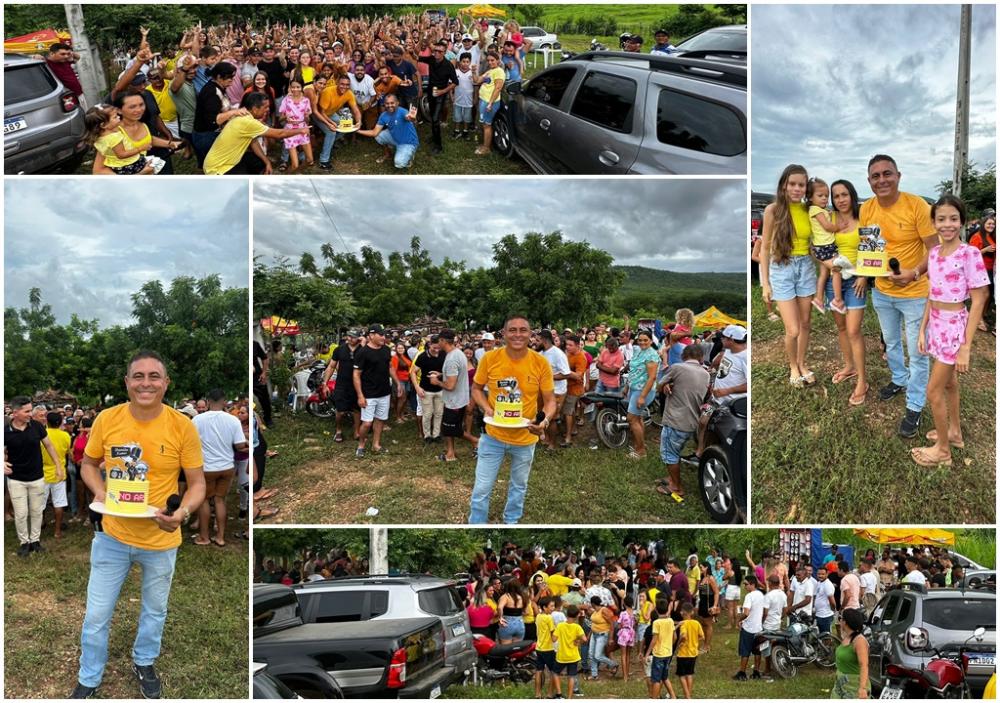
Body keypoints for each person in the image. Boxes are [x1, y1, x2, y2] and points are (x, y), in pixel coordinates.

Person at [73, 351, 206, 699]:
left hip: (160, 541)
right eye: (138, 376)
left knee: (155, 610)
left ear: (166, 383)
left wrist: (182, 514)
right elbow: (88, 464)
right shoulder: (107, 419)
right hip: (112, 536)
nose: (146, 383)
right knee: (97, 614)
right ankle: (89, 676)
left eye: (154, 376)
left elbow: (197, 484)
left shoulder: (182, 426)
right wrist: (100, 491)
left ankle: (144, 661)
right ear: (127, 382)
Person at [860, 154, 938, 438]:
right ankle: (899, 378)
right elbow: (870, 249)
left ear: (898, 176)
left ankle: (915, 406)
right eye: (875, 176)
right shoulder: (867, 209)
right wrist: (866, 271)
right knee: (891, 342)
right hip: (883, 292)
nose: (882, 180)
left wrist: (914, 272)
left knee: (917, 352)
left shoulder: (917, 206)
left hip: (916, 293)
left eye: (887, 174)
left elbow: (935, 249)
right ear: (869, 181)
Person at [912, 195, 989, 466]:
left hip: (954, 327)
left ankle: (942, 451)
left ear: (962, 221)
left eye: (953, 219)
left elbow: (980, 298)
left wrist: (966, 346)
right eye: (941, 219)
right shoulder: (934, 254)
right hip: (935, 323)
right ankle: (954, 433)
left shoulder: (969, 253)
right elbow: (932, 293)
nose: (947, 224)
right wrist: (922, 329)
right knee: (949, 383)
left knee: (933, 391)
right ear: (933, 223)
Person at [468, 315, 556, 524]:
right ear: (504, 334)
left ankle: (512, 521)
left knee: (519, 485)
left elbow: (550, 401)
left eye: (523, 330)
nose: (518, 334)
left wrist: (544, 422)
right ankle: (477, 524)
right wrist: (487, 408)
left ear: (530, 334)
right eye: (512, 330)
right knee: (481, 488)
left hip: (525, 437)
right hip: (493, 436)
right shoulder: (490, 359)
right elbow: (476, 389)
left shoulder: (540, 362)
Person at [759, 164, 816, 388]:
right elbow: (765, 248)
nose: (797, 189)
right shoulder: (773, 210)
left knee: (805, 323)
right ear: (784, 185)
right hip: (782, 267)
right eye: (792, 184)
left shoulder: (809, 209)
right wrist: (765, 283)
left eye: (801, 185)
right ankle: (793, 366)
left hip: (806, 267)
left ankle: (802, 363)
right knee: (792, 329)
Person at [5, 397, 66, 556]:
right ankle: (24, 543)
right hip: (16, 480)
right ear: (15, 413)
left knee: (37, 511)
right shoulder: (5, 431)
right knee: (21, 514)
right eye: (26, 411)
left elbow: (49, 446)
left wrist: (58, 466)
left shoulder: (37, 426)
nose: (30, 414)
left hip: (38, 478)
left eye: (30, 410)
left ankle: (35, 541)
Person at [191, 388, 247, 547]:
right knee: (220, 500)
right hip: (227, 467)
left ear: (208, 402)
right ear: (224, 401)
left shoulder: (197, 420)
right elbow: (239, 445)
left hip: (207, 467)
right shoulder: (233, 420)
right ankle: (220, 537)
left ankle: (204, 537)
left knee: (204, 501)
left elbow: (191, 443)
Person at [203, 92, 309, 174]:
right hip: (217, 168)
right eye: (265, 107)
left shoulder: (244, 116)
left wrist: (267, 162)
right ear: (254, 109)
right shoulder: (248, 122)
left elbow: (253, 142)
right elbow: (279, 134)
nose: (268, 110)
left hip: (224, 162)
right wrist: (301, 130)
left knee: (259, 161)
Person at [656, 343, 710, 498]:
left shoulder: (677, 368)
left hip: (675, 420)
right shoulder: (705, 373)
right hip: (692, 422)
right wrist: (670, 385)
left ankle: (676, 487)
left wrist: (665, 384)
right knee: (675, 450)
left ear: (683, 356)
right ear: (701, 358)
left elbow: (658, 386)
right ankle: (672, 478)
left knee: (669, 455)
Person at [429, 329, 479, 461]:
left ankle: (476, 441)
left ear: (443, 341)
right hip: (459, 398)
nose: (438, 344)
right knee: (448, 428)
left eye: (439, 341)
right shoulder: (458, 353)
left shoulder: (451, 358)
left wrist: (437, 382)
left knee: (453, 429)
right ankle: (450, 454)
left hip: (454, 401)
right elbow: (458, 373)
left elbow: (451, 386)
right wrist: (442, 374)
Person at [352, 325, 401, 458]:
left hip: (384, 392)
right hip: (368, 394)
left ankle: (376, 444)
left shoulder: (386, 349)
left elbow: (390, 367)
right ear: (371, 335)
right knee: (367, 423)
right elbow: (356, 374)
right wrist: (360, 395)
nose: (384, 337)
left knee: (380, 419)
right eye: (381, 335)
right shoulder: (362, 352)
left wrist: (398, 383)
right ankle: (361, 445)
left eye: (384, 335)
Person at [807, 178, 847, 314]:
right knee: (837, 270)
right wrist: (839, 227)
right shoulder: (815, 210)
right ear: (810, 197)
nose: (824, 198)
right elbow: (827, 226)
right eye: (820, 196)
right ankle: (837, 300)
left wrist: (828, 214)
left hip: (822, 246)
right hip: (825, 247)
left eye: (826, 195)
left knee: (824, 274)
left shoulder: (819, 210)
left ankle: (818, 298)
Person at [357, 93, 419, 169]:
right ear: (384, 104)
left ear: (397, 103)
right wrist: (358, 131)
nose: (389, 105)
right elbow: (374, 133)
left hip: (408, 142)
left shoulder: (403, 111)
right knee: (378, 136)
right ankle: (388, 154)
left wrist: (412, 118)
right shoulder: (383, 116)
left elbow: (410, 118)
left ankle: (410, 155)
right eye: (387, 103)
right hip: (395, 137)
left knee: (399, 163)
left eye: (392, 103)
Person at [418, 40, 458, 155]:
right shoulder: (431, 59)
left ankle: (438, 146)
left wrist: (442, 91)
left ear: (444, 53)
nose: (436, 53)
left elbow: (455, 82)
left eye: (440, 51)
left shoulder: (448, 65)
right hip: (431, 92)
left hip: (441, 94)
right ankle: (434, 135)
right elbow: (418, 58)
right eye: (435, 50)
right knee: (432, 116)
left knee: (435, 119)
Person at [323, 330, 363, 443]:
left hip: (358, 385)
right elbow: (331, 366)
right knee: (340, 411)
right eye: (349, 336)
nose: (350, 339)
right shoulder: (339, 350)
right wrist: (325, 383)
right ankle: (338, 430)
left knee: (357, 410)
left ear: (359, 338)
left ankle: (356, 431)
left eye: (353, 337)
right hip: (342, 384)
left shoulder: (363, 350)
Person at [315, 75, 362, 169]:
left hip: (331, 114)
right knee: (331, 132)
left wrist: (359, 121)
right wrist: (331, 123)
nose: (344, 86)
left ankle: (328, 143)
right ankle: (324, 161)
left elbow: (356, 110)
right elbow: (321, 112)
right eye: (342, 84)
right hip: (319, 115)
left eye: (347, 85)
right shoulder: (328, 92)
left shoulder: (349, 93)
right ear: (337, 83)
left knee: (346, 126)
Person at [625, 329, 659, 460]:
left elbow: (652, 378)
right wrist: (627, 386)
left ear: (651, 341)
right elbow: (633, 371)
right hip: (634, 388)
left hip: (643, 390)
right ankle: (639, 445)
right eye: (640, 340)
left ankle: (641, 451)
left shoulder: (651, 355)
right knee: (638, 418)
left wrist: (642, 397)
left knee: (631, 419)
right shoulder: (638, 351)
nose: (642, 342)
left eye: (645, 340)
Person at [41, 410, 72, 539]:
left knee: (40, 503)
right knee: (59, 503)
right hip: (60, 473)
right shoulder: (66, 436)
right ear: (60, 423)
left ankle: (41, 524)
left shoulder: (42, 434)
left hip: (42, 473)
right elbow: (68, 452)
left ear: (47, 422)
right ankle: (57, 531)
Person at [276, 78, 314, 171]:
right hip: (290, 131)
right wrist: (286, 117)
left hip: (302, 130)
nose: (295, 89)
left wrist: (307, 116)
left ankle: (296, 173)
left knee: (310, 160)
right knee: (295, 165)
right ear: (290, 87)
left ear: (302, 87)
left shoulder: (306, 101)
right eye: (293, 87)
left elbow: (307, 120)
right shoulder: (286, 100)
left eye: (298, 87)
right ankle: (289, 175)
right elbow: (280, 119)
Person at [831, 608, 870, 699]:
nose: (839, 621)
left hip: (854, 686)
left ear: (845, 622)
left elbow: (864, 665)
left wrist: (862, 688)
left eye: (840, 618)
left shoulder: (859, 641)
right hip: (841, 684)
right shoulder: (846, 637)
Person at [552, 604, 587, 699]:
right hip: (573, 656)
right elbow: (585, 639)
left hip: (562, 656)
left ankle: (559, 694)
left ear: (567, 614)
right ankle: (569, 697)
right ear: (577, 616)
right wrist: (578, 641)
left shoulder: (560, 626)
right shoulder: (577, 627)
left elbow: (554, 639)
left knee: (555, 673)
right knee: (571, 676)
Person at [734, 574, 765, 681]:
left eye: (746, 584)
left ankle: (742, 673)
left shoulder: (749, 596)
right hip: (758, 628)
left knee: (745, 651)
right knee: (757, 651)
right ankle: (756, 672)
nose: (744, 586)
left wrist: (738, 620)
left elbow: (746, 613)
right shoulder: (761, 594)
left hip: (748, 628)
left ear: (752, 584)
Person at [968, 213, 995, 333]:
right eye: (989, 223)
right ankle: (978, 319)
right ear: (983, 224)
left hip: (990, 269)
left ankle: (981, 316)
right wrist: (985, 249)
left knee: (988, 295)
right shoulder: (977, 236)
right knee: (983, 295)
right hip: (980, 269)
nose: (991, 226)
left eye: (993, 224)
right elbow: (970, 254)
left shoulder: (992, 237)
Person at [474, 51, 504, 156]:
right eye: (488, 60)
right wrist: (473, 72)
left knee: (487, 125)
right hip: (484, 100)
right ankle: (485, 145)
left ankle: (486, 148)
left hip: (489, 102)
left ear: (498, 61)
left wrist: (490, 103)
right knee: (484, 124)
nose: (490, 62)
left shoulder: (499, 71)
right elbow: (477, 81)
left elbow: (498, 88)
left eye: (492, 60)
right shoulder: (490, 71)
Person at [645, 598, 677, 699]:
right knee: (665, 677)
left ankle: (654, 698)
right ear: (667, 608)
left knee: (656, 680)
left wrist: (647, 653)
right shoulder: (670, 621)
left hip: (659, 654)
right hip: (668, 653)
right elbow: (675, 637)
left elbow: (654, 640)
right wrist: (669, 645)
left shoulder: (657, 623)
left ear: (656, 609)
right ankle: (673, 697)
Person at [675, 602, 704, 698]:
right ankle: (689, 695)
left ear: (681, 612)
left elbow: (683, 636)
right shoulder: (696, 623)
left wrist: (679, 643)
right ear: (692, 612)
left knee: (681, 675)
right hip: (693, 653)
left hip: (683, 654)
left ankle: (687, 696)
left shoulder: (683, 624)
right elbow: (702, 636)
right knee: (689, 674)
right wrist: (695, 640)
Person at [587, 595, 619, 680]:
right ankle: (594, 674)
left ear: (593, 604)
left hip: (602, 635)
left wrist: (610, 638)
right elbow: (593, 624)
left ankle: (613, 664)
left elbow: (611, 623)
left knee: (597, 656)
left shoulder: (603, 610)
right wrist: (589, 635)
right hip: (594, 634)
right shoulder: (595, 611)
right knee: (591, 654)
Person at [533, 596, 558, 698]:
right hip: (548, 649)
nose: (553, 608)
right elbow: (553, 636)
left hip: (539, 648)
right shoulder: (549, 618)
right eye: (551, 606)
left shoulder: (538, 616)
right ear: (544, 607)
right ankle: (550, 694)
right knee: (554, 671)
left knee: (539, 671)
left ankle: (537, 694)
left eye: (554, 606)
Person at [696, 563, 720, 652]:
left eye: (701, 567)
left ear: (706, 568)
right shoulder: (702, 577)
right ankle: (704, 644)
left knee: (708, 624)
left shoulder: (711, 578)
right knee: (703, 623)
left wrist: (714, 606)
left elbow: (716, 592)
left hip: (709, 603)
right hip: (702, 603)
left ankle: (707, 646)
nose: (700, 569)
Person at [616, 594, 636, 681]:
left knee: (623, 655)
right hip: (631, 633)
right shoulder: (634, 613)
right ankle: (627, 673)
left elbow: (619, 625)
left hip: (624, 632)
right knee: (628, 655)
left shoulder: (623, 613)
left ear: (624, 603)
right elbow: (635, 624)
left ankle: (624, 676)